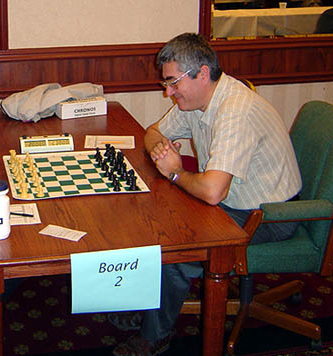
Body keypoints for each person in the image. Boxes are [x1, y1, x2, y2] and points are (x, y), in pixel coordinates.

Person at [110, 33, 302, 356]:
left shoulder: (234, 109)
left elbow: (213, 191)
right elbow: (153, 133)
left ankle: (156, 336)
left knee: (180, 249)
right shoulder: (196, 99)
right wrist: (161, 151)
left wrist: (174, 171)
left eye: (173, 83)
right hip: (234, 201)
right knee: (158, 218)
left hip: (271, 214)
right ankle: (149, 308)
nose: (169, 93)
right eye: (166, 84)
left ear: (201, 74)